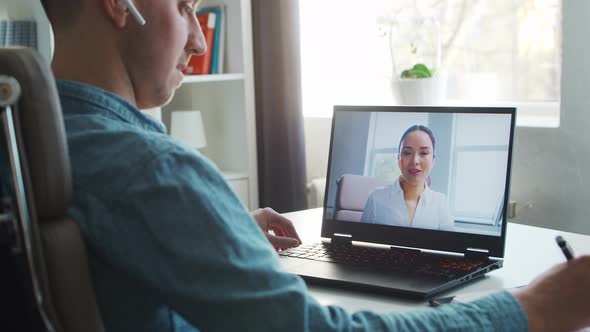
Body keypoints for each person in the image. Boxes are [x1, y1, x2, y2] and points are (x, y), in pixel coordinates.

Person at [37, 0, 590, 331]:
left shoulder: (35, 137)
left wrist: (209, 232)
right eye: (185, 6)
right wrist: (533, 310)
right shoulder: (152, 170)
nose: (200, 37)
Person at [361, 125, 453, 231]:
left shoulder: (441, 203)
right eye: (407, 153)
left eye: (423, 153)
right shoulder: (376, 199)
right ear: (399, 159)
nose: (415, 161)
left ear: (433, 161)